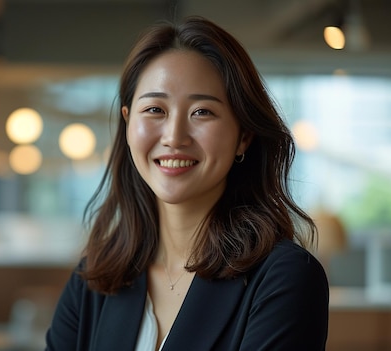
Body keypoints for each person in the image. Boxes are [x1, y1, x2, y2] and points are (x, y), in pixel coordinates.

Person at [45, 15, 329, 351]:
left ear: (244, 136)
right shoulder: (95, 279)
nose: (174, 137)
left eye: (202, 112)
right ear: (127, 123)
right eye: (154, 109)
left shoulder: (284, 278)